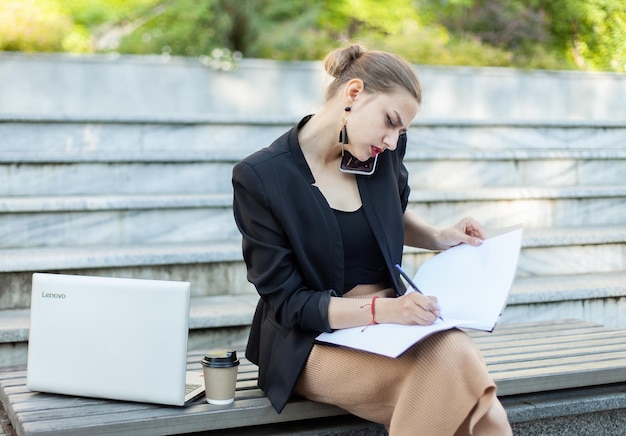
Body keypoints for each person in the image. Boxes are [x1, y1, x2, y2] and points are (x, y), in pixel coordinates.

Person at [232, 44, 512, 435]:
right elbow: (289, 304)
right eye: (390, 121)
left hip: (392, 329)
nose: (393, 141)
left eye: (401, 131)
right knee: (461, 382)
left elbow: (389, 216)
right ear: (353, 94)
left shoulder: (380, 152)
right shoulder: (261, 178)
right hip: (313, 342)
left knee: (459, 366)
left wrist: (439, 236)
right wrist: (384, 310)